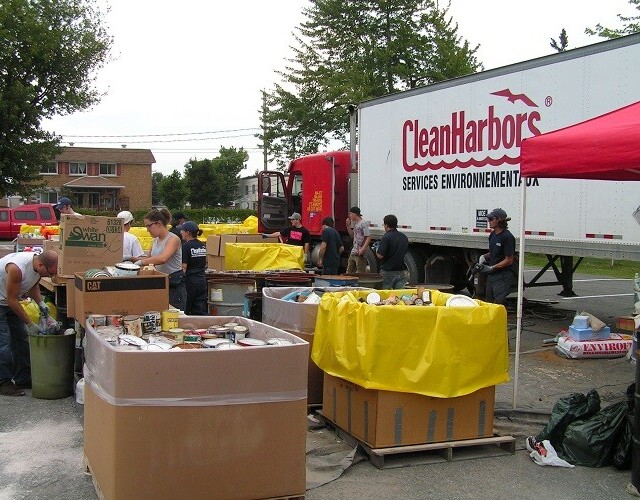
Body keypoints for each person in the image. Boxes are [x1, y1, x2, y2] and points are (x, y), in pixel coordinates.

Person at [0, 250, 58, 396]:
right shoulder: (16, 269)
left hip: (9, 301)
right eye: (49, 274)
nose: (50, 277)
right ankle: (3, 383)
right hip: (4, 301)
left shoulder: (37, 266)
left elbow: (33, 286)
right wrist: (30, 324)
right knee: (4, 343)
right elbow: (12, 299)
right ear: (40, 264)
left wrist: (41, 304)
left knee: (21, 339)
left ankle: (23, 378)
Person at [136, 208, 186, 311]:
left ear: (158, 223)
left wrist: (142, 262)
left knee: (173, 316)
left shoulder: (173, 239)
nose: (147, 229)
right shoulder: (155, 241)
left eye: (148, 226)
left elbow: (163, 258)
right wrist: (131, 259)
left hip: (174, 283)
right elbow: (148, 258)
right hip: (161, 282)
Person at [476, 208, 516, 305]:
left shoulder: (507, 237)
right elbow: (493, 252)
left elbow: (509, 259)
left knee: (498, 304)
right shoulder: (493, 235)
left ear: (499, 220)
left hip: (502, 276)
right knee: (489, 303)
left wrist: (492, 267)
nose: (488, 221)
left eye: (491, 219)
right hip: (492, 276)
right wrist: (484, 257)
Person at [179, 221, 208, 315]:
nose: (180, 232)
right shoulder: (202, 245)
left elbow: (184, 266)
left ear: (187, 233)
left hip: (190, 281)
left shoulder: (185, 246)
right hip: (202, 280)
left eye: (182, 231)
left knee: (186, 309)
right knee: (200, 309)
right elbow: (205, 263)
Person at [375, 214, 409, 290]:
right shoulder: (403, 237)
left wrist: (377, 249)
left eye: (384, 224)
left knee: (385, 295)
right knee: (399, 296)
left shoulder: (386, 237)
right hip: (402, 271)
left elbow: (380, 256)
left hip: (388, 271)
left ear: (386, 225)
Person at [346, 207, 371, 274]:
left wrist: (363, 248)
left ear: (355, 214)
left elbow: (368, 237)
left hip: (359, 251)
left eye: (351, 214)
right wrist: (348, 226)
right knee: (349, 271)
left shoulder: (363, 223)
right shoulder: (356, 224)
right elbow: (352, 236)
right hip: (354, 251)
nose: (350, 215)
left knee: (360, 272)